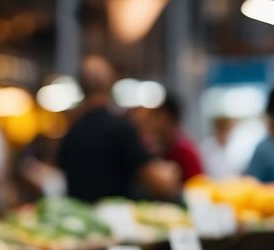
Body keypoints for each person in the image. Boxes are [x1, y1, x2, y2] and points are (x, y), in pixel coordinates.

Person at [57, 56, 178, 202]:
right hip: (115, 221)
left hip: (81, 221)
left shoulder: (71, 133)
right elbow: (162, 185)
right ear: (110, 83)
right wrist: (172, 171)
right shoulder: (121, 130)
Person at [147, 93, 203, 182]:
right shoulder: (157, 148)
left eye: (154, 115)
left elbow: (197, 186)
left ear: (165, 117)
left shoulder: (185, 151)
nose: (149, 121)